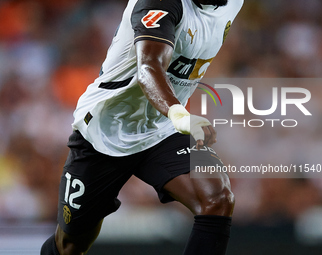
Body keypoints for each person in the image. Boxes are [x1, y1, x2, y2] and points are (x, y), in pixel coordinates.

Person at [41, 0, 243, 254]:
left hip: (162, 129)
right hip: (105, 131)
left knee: (217, 198)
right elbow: (148, 68)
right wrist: (178, 113)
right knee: (70, 245)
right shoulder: (161, 2)